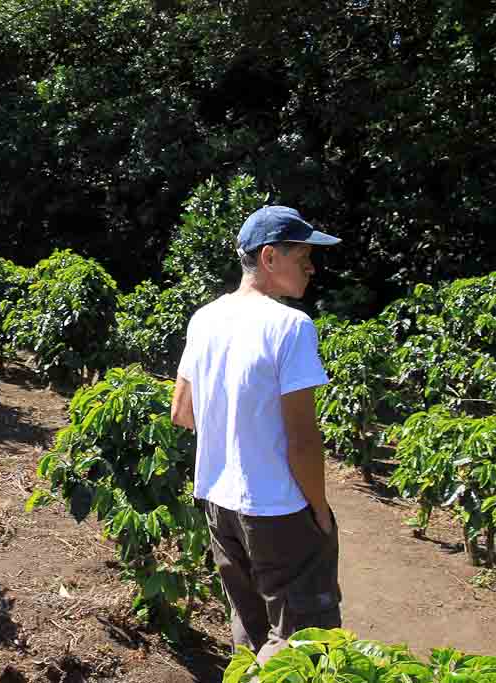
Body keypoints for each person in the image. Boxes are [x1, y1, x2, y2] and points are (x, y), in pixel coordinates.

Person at [169, 205, 342, 664]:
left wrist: (234, 424)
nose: (311, 265)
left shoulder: (205, 319)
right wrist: (320, 512)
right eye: (302, 254)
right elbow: (303, 440)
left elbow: (183, 412)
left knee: (250, 635)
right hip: (278, 510)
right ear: (269, 258)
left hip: (219, 504)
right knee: (304, 646)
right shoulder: (290, 326)